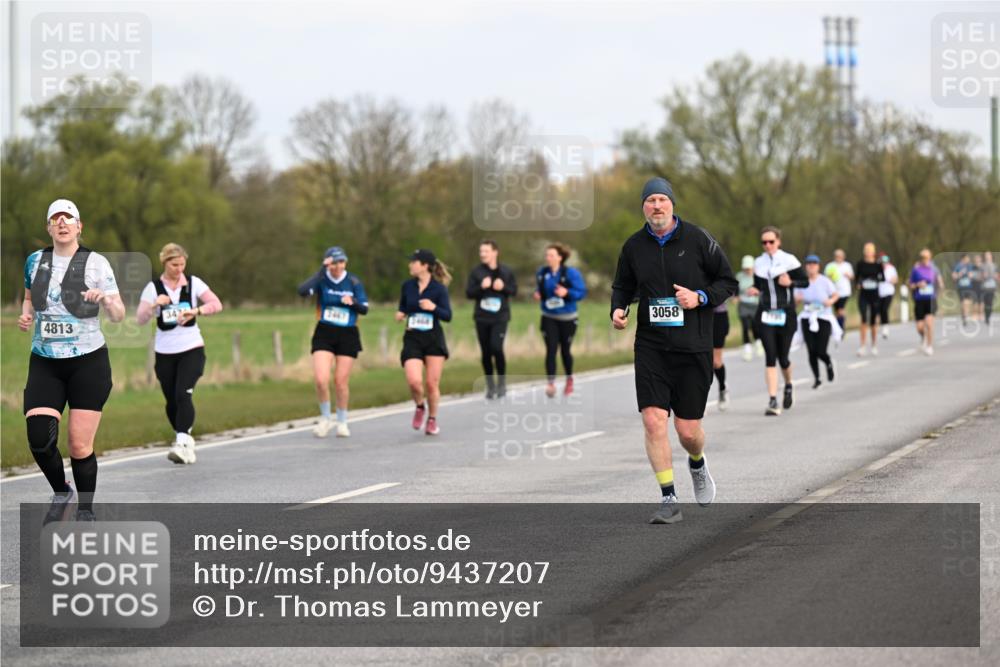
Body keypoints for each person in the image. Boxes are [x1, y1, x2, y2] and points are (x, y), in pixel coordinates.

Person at [611, 177, 738, 524]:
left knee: (687, 431)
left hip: (693, 345)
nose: (656, 206)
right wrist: (618, 309)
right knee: (654, 421)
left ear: (672, 204)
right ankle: (668, 497)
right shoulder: (634, 246)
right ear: (643, 206)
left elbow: (728, 281)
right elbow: (623, 285)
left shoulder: (698, 239)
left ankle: (696, 462)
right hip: (652, 346)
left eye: (661, 200)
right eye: (650, 200)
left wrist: (699, 298)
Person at [18, 199, 126, 523]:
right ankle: (62, 491)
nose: (62, 223)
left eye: (68, 218)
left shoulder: (96, 264)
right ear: (49, 227)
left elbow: (120, 314)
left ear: (79, 226)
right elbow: (28, 299)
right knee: (39, 438)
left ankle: (85, 511)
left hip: (88, 363)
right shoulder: (35, 261)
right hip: (45, 361)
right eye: (55, 219)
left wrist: (105, 299)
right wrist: (25, 315)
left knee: (79, 445)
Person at [137, 243, 223, 463]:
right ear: (164, 263)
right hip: (165, 352)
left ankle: (182, 442)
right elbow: (140, 318)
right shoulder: (153, 288)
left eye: (182, 264)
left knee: (183, 394)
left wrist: (197, 310)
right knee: (171, 401)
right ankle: (184, 441)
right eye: (174, 264)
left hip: (192, 348)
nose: (179, 268)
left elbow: (216, 303)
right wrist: (155, 305)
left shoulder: (194, 283)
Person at [297, 246, 369, 438]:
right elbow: (303, 291)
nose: (338, 266)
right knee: (321, 379)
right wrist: (322, 271)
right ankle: (325, 418)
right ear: (327, 263)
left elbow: (364, 308)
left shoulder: (353, 281)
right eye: (333, 262)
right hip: (325, 332)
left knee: (340, 381)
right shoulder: (322, 279)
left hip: (348, 333)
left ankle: (342, 421)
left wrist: (352, 302)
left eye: (341, 262)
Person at [747, 226, 808, 416]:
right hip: (765, 314)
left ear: (778, 241)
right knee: (770, 356)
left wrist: (791, 283)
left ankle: (788, 384)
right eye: (764, 242)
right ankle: (773, 400)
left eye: (771, 242)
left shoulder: (789, 260)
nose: (767, 246)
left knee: (783, 358)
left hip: (786, 314)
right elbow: (758, 285)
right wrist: (755, 289)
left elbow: (805, 282)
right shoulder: (759, 262)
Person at [397, 249, 452, 435]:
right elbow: (403, 307)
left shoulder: (439, 289)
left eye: (414, 262)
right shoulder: (407, 286)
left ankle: (432, 419)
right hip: (413, 338)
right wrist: (401, 313)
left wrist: (433, 307)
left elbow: (448, 316)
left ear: (424, 266)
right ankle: (420, 406)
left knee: (431, 384)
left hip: (433, 339)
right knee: (414, 381)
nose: (410, 265)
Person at [466, 240, 517, 399]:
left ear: (495, 252)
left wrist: (503, 288)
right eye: (481, 252)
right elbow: (469, 293)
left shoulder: (506, 271)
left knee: (496, 347)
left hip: (500, 317)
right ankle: (491, 386)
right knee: (486, 352)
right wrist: (481, 286)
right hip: (482, 317)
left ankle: (502, 383)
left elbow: (514, 291)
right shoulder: (476, 272)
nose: (483, 254)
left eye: (486, 251)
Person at [534, 243, 587, 398]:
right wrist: (538, 294)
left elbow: (581, 292)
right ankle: (550, 383)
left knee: (565, 350)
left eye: (551, 255)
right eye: (546, 255)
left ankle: (569, 378)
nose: (548, 258)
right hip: (549, 316)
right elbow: (542, 289)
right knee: (551, 349)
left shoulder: (571, 273)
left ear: (560, 257)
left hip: (568, 318)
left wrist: (567, 292)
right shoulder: (542, 273)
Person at [793, 255, 842, 389]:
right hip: (807, 317)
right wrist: (797, 300)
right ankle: (817, 378)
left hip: (823, 317)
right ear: (806, 266)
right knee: (811, 350)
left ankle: (828, 363)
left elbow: (836, 294)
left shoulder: (825, 281)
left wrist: (830, 301)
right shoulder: (801, 282)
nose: (811, 266)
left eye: (814, 264)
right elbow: (795, 301)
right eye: (809, 264)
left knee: (820, 350)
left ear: (818, 266)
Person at [909, 248, 944, 355]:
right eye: (922, 257)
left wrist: (939, 290)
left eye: (926, 257)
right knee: (919, 326)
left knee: (929, 323)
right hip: (919, 300)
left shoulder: (934, 269)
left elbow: (940, 282)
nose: (924, 259)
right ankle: (923, 337)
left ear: (930, 257)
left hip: (930, 299)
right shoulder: (916, 269)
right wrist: (918, 285)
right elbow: (910, 285)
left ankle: (929, 346)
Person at [854, 242, 885, 356]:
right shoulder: (860, 264)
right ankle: (862, 346)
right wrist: (858, 284)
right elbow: (856, 279)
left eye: (870, 250)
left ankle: (874, 345)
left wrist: (874, 280)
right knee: (863, 318)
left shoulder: (878, 264)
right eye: (866, 250)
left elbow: (883, 278)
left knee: (873, 320)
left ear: (873, 252)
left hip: (874, 294)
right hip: (863, 294)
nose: (868, 252)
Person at [736, 255, 762, 361]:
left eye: (749, 268)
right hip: (743, 305)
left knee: (755, 326)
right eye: (745, 268)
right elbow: (735, 290)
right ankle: (747, 348)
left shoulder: (758, 276)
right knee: (745, 326)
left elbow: (762, 290)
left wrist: (756, 292)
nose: (747, 270)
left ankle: (758, 341)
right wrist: (735, 297)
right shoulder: (739, 276)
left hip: (755, 305)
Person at [825, 249, 854, 331]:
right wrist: (830, 276)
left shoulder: (847, 265)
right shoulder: (830, 266)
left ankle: (841, 328)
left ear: (843, 257)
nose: (839, 258)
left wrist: (848, 275)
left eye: (840, 256)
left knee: (841, 310)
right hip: (833, 292)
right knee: (836, 311)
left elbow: (852, 277)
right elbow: (825, 278)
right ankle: (837, 327)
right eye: (837, 256)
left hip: (844, 292)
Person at [712, 299, 731, 411]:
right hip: (696, 315)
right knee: (702, 361)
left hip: (718, 316)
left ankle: (722, 388)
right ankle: (700, 399)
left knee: (716, 362)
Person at [878, 253, 898, 339]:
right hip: (879, 293)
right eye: (882, 262)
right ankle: (883, 325)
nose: (883, 263)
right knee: (880, 310)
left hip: (889, 292)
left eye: (885, 262)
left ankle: (885, 327)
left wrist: (892, 280)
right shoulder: (877, 269)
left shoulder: (891, 268)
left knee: (884, 309)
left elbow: (895, 279)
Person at [952, 253, 974, 326]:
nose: (968, 260)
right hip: (961, 287)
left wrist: (970, 275)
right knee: (963, 302)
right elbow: (954, 276)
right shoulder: (958, 266)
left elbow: (971, 275)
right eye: (967, 258)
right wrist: (959, 275)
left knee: (968, 302)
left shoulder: (969, 266)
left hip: (968, 286)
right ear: (963, 258)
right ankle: (965, 316)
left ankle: (965, 315)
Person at [982, 251, 997, 325]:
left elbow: (997, 276)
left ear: (991, 256)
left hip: (992, 286)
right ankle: (986, 317)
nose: (987, 257)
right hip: (985, 286)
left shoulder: (995, 265)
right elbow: (982, 276)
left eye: (989, 255)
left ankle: (988, 316)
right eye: (986, 255)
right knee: (986, 302)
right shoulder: (983, 266)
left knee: (990, 303)